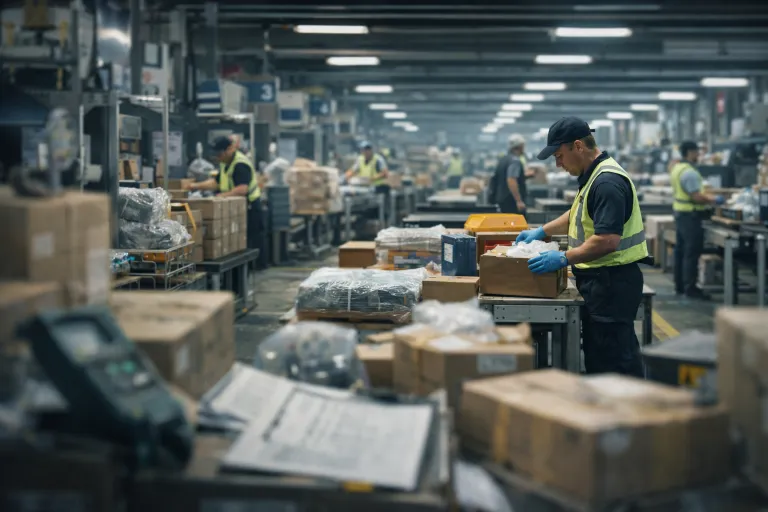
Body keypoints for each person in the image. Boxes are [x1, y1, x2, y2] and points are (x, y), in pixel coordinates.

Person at [517, 117, 647, 377]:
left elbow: (607, 241)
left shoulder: (607, 182)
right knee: (600, 355)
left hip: (612, 284)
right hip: (600, 281)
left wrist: (563, 258)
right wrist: (542, 232)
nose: (558, 164)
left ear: (578, 146)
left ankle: (626, 414)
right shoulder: (593, 177)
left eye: (559, 156)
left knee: (613, 362)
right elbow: (576, 213)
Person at [186, 135, 264, 260]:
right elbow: (216, 182)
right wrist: (194, 186)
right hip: (236, 207)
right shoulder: (225, 163)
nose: (218, 157)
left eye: (220, 153)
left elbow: (242, 189)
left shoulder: (240, 164)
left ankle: (256, 270)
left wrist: (220, 196)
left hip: (250, 208)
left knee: (250, 243)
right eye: (216, 154)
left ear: (230, 149)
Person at [670, 140, 725, 300]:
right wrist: (715, 200)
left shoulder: (677, 168)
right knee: (691, 253)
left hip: (680, 214)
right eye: (697, 152)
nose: (699, 155)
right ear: (690, 152)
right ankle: (690, 288)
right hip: (691, 216)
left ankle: (680, 285)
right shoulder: (690, 172)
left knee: (681, 251)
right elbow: (697, 197)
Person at [345, 140, 390, 214]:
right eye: (363, 150)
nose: (365, 152)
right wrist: (347, 176)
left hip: (376, 187)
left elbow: (385, 173)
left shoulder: (378, 159)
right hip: (363, 186)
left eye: (366, 150)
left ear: (370, 150)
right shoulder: (360, 159)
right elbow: (352, 170)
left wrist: (372, 179)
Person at [491, 134, 527, 214]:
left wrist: (525, 177)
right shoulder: (515, 161)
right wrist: (519, 201)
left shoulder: (504, 159)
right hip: (511, 201)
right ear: (520, 146)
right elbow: (511, 179)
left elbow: (502, 177)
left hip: (501, 199)